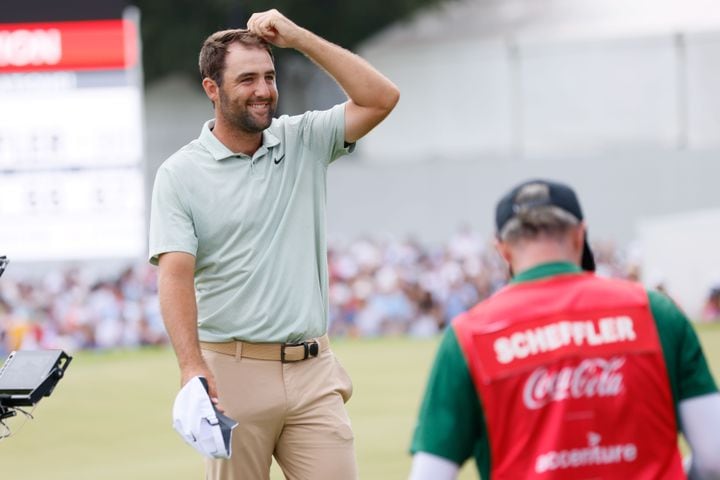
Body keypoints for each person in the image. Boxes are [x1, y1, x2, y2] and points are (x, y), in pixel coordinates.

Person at [148, 9, 399, 480]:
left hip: (314, 370)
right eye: (247, 79)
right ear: (212, 89)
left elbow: (382, 98)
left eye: (269, 76)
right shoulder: (179, 175)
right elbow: (175, 276)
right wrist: (190, 367)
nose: (263, 90)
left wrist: (300, 38)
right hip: (232, 372)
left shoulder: (302, 139)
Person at [409, 179, 720, 479]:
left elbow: (431, 472)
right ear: (579, 235)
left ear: (502, 250)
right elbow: (714, 458)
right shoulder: (656, 311)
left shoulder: (470, 335)